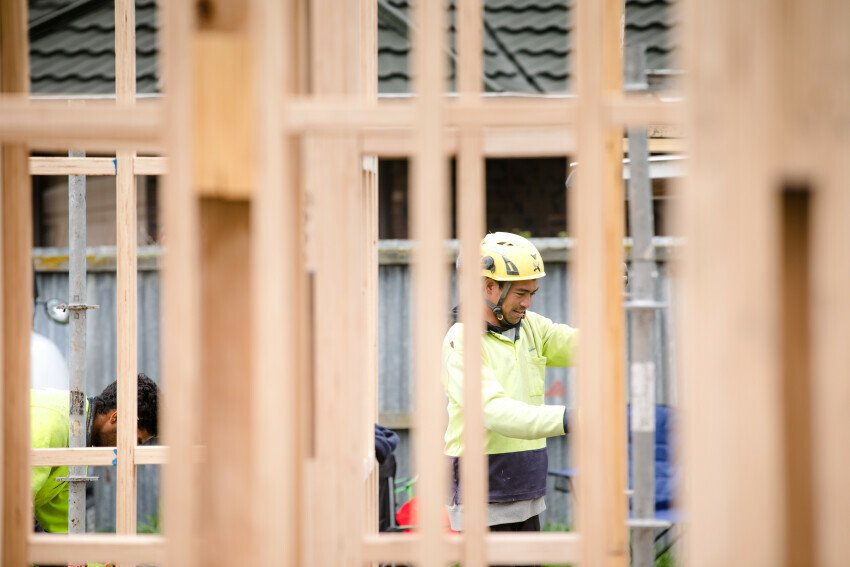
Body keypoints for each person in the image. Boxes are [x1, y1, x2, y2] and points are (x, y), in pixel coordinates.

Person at [442, 232, 578, 540]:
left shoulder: (529, 326)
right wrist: (568, 418)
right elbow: (494, 411)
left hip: (524, 490)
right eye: (520, 293)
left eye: (533, 293)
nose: (527, 303)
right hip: (483, 494)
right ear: (489, 287)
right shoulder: (460, 340)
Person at [31, 373, 160, 534]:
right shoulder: (52, 424)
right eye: (134, 442)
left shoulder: (78, 446)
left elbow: (59, 529)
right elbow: (12, 502)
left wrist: (90, 557)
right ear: (116, 417)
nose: (126, 453)